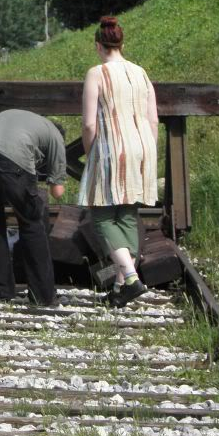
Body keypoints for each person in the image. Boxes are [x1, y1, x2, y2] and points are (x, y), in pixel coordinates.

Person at [79, 16, 158, 308]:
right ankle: (120, 286)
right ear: (122, 44)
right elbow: (153, 119)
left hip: (112, 148)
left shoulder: (97, 73)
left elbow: (89, 124)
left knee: (101, 215)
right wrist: (150, 152)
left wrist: (91, 153)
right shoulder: (141, 73)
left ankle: (131, 277)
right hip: (143, 148)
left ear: (98, 45)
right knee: (126, 213)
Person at [0, 109, 66, 306]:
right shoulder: (56, 137)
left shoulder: (21, 118)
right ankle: (43, 296)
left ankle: (1, 292)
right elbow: (58, 192)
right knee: (31, 223)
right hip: (10, 158)